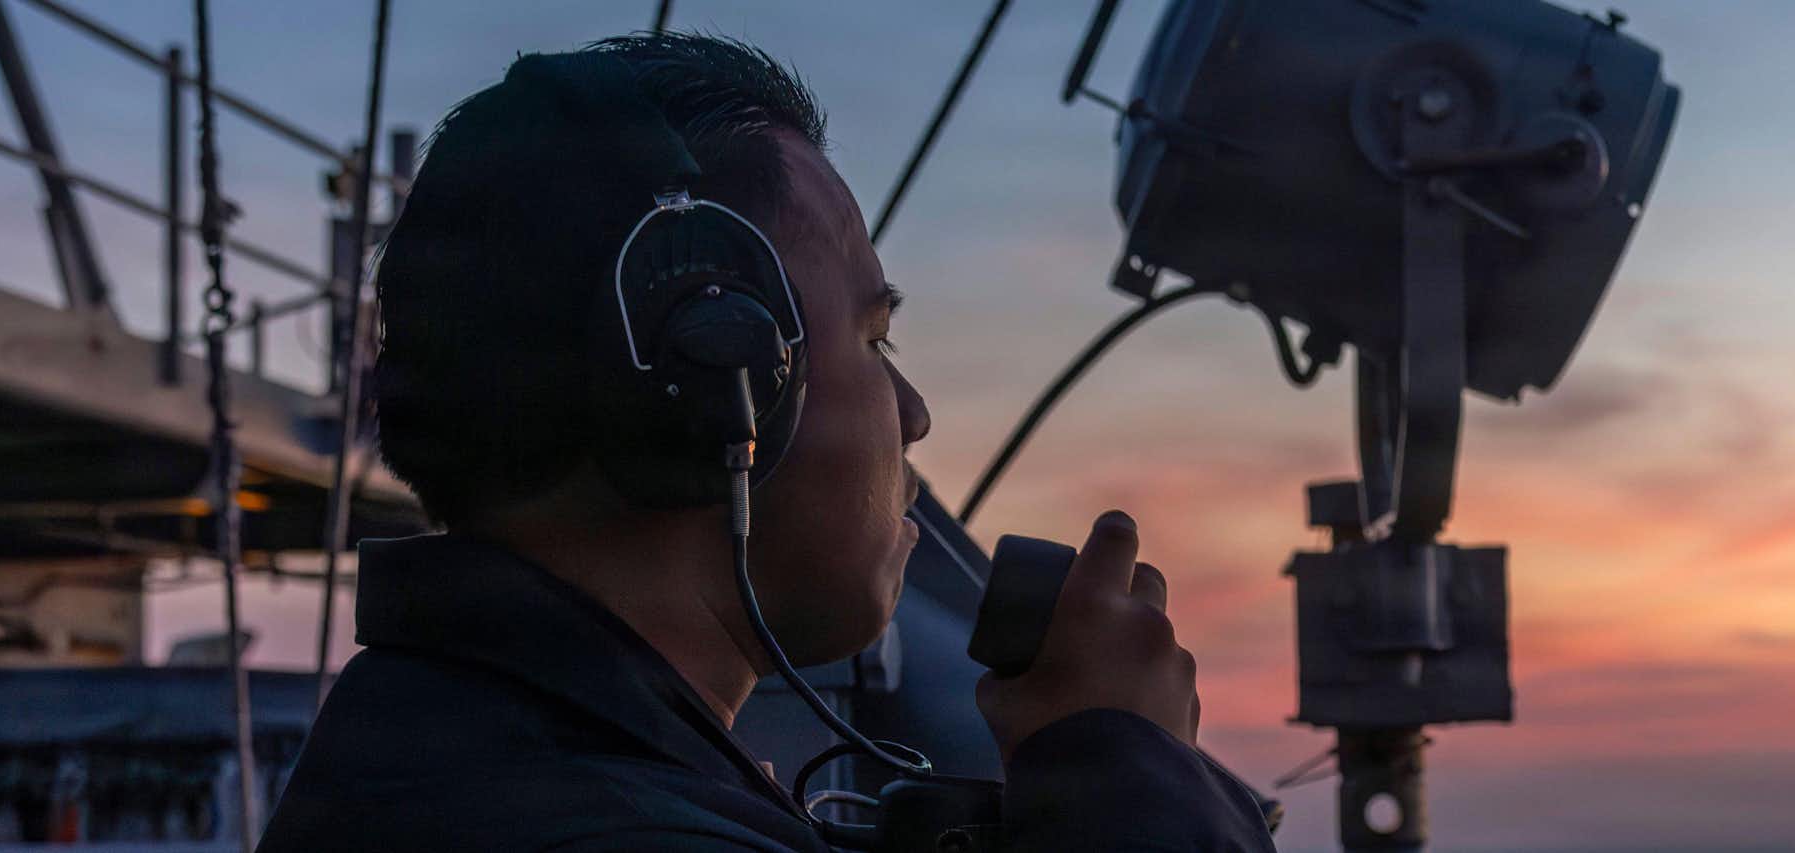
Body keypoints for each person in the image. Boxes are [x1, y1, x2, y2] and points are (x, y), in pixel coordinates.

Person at [257, 33, 1273, 852]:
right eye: (876, 338)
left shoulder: (449, 759)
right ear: (720, 382)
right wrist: (1129, 774)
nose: (912, 412)